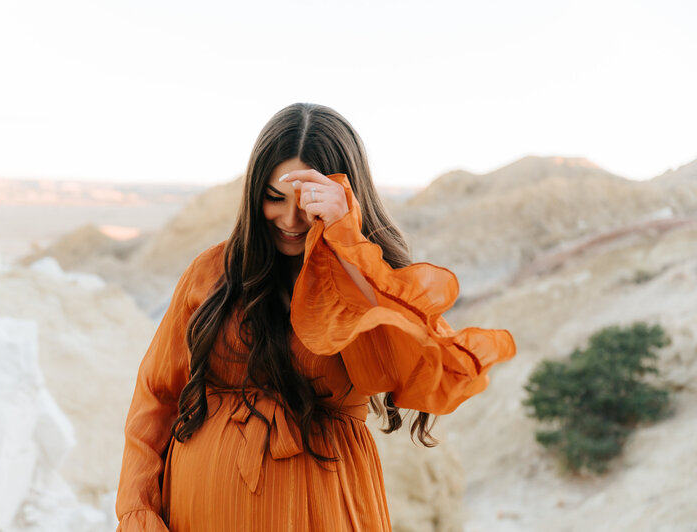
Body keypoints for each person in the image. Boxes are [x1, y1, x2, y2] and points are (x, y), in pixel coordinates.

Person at [115, 103, 516, 531]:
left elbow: (428, 373)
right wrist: (137, 512)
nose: (290, 219)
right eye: (274, 198)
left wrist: (344, 238)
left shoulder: (372, 281)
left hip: (324, 511)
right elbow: (156, 399)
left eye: (308, 202)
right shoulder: (210, 274)